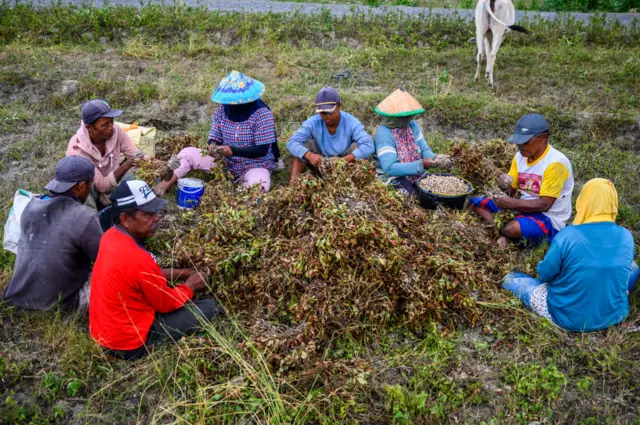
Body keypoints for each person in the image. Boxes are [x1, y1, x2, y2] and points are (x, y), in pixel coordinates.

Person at [89, 180, 223, 360]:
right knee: (210, 307)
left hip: (104, 332)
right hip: (129, 344)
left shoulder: (109, 237)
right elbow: (166, 304)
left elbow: (143, 275)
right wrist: (189, 286)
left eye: (155, 212)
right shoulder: (138, 258)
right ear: (126, 219)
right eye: (148, 214)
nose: (157, 218)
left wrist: (183, 272)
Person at [502, 179, 639, 332]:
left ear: (584, 201)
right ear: (613, 203)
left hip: (568, 317)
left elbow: (545, 274)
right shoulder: (626, 236)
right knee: (633, 267)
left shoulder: (568, 235)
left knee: (511, 279)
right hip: (612, 315)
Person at [2, 157, 102, 312]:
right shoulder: (84, 216)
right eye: (91, 183)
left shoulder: (30, 205)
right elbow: (103, 259)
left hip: (17, 298)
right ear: (81, 186)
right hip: (58, 304)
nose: (91, 188)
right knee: (116, 280)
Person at [469, 114, 574, 247]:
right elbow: (510, 190)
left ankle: (506, 231)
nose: (520, 146)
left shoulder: (555, 163)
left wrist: (511, 203)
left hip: (547, 217)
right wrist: (504, 185)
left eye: (525, 142)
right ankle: (502, 233)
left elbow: (545, 205)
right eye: (519, 141)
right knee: (475, 203)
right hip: (521, 207)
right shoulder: (520, 156)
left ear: (543, 138)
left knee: (513, 228)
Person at [197, 71, 278, 193]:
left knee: (259, 187)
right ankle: (164, 185)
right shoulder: (221, 111)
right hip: (225, 163)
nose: (232, 105)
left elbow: (262, 149)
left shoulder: (262, 114)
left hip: (254, 165)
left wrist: (233, 151)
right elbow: (214, 137)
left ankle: (244, 194)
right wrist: (214, 148)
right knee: (187, 154)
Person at [67, 99, 148, 210]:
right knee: (82, 185)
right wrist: (125, 165)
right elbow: (101, 185)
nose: (111, 128)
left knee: (138, 173)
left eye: (112, 121)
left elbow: (137, 154)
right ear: (90, 128)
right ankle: (93, 218)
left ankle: (119, 206)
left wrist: (160, 165)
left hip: (112, 182)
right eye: (105, 125)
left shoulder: (116, 132)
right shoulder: (77, 150)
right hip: (92, 192)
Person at [286, 87, 374, 185]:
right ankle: (293, 184)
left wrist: (344, 160)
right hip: (320, 162)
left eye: (330, 112)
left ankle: (354, 183)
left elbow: (369, 145)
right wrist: (309, 155)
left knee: (356, 147)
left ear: (339, 106)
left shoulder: (351, 122)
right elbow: (291, 142)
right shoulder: (313, 123)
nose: (327, 116)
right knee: (304, 145)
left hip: (346, 164)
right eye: (323, 113)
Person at [373, 88, 453, 195]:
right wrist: (421, 164)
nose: (410, 118)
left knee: (434, 189)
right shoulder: (384, 134)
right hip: (393, 176)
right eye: (406, 116)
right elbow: (390, 168)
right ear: (395, 117)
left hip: (414, 172)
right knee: (409, 195)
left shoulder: (412, 125)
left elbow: (424, 148)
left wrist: (435, 158)